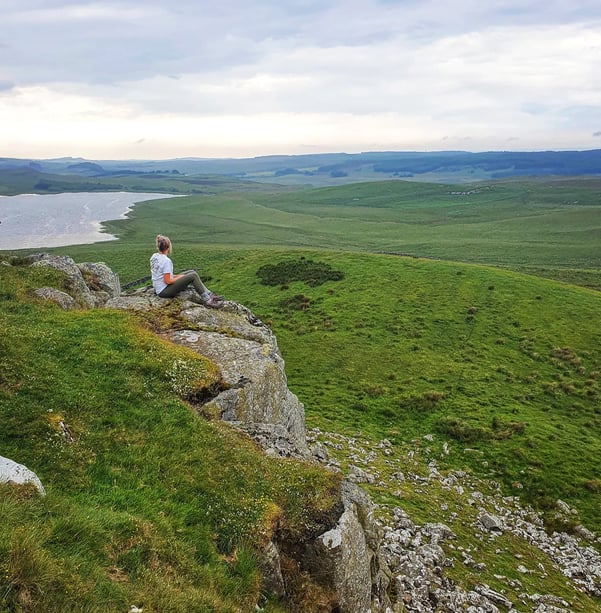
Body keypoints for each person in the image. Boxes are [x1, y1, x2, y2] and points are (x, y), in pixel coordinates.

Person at [150, 235, 224, 307]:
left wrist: (181, 276)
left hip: (159, 287)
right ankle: (208, 300)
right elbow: (168, 281)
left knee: (191, 272)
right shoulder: (166, 261)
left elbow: (163, 275)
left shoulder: (154, 256)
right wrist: (180, 277)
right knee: (193, 276)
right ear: (168, 247)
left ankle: (209, 294)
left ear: (158, 247)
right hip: (164, 291)